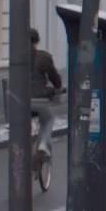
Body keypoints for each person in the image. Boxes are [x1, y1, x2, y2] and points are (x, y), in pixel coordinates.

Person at [30, 28, 63, 164]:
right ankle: (43, 144)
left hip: (18, 101)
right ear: (37, 41)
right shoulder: (43, 57)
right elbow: (55, 79)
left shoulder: (17, 57)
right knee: (48, 119)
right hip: (39, 99)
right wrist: (57, 88)